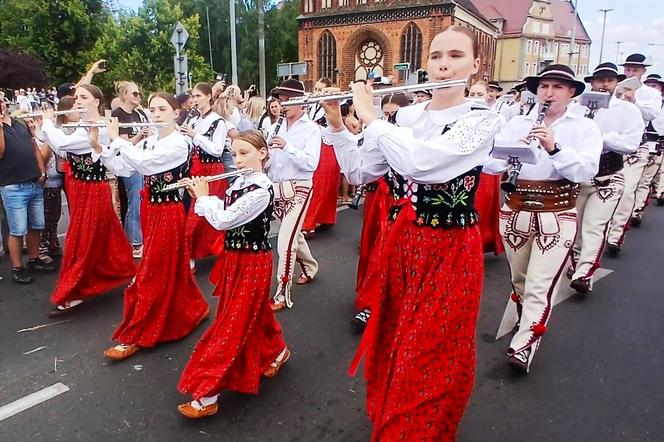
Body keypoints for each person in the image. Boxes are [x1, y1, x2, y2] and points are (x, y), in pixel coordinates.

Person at [323, 26, 502, 440]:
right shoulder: (404, 117)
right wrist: (338, 127)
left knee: (430, 354)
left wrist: (372, 118)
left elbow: (423, 164)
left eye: (455, 56)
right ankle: (393, 413)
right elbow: (361, 172)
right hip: (399, 246)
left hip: (449, 250)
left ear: (475, 66)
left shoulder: (481, 121)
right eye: (436, 56)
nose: (443, 65)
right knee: (393, 341)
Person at [483, 64, 603, 373]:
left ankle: (524, 345)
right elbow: (490, 166)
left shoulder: (585, 128)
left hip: (557, 211)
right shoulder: (517, 123)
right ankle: (526, 320)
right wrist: (512, 153)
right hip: (516, 207)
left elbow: (586, 171)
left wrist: (554, 147)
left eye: (557, 87)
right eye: (544, 86)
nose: (548, 93)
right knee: (520, 280)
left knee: (540, 284)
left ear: (572, 93)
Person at [177, 130, 289, 419]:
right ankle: (277, 351)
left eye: (244, 153)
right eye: (235, 153)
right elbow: (222, 209)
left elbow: (224, 219)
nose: (237, 160)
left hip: (253, 262)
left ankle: (208, 392)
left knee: (233, 323)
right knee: (251, 314)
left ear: (263, 153)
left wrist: (202, 198)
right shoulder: (238, 182)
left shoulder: (262, 191)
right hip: (235, 259)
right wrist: (202, 196)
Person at [91, 92, 209, 361]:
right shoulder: (149, 141)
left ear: (175, 113)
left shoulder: (179, 143)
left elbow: (145, 164)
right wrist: (101, 147)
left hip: (168, 212)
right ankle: (194, 308)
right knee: (171, 267)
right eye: (152, 109)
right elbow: (124, 169)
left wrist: (118, 138)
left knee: (152, 270)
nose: (156, 114)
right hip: (149, 209)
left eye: (162, 109)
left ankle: (137, 331)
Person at [35, 84, 135, 317]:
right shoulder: (81, 123)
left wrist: (49, 122)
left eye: (83, 97)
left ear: (96, 102)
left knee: (82, 239)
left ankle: (74, 290)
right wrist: (43, 126)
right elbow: (57, 146)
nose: (77, 100)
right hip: (78, 186)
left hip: (93, 188)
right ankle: (127, 272)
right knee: (108, 234)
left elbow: (63, 145)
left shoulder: (99, 127)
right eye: (76, 97)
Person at [567, 63, 644, 294]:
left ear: (616, 83)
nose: (604, 85)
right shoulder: (575, 108)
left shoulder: (627, 110)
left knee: (594, 225)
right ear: (592, 83)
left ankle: (585, 272)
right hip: (578, 177)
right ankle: (577, 262)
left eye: (609, 81)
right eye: (600, 80)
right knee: (574, 227)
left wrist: (600, 136)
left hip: (608, 176)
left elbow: (631, 144)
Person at [266, 79, 321, 311]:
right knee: (294, 234)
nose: (283, 104)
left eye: (289, 100)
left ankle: (281, 293)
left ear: (302, 102)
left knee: (285, 240)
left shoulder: (312, 129)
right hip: (277, 187)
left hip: (300, 187)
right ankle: (310, 268)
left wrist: (287, 146)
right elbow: (270, 162)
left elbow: (311, 164)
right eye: (281, 99)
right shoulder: (274, 126)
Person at [606, 53, 662, 255]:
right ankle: (601, 230)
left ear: (643, 71)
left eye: (635, 69)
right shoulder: (614, 90)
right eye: (628, 69)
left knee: (627, 191)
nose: (630, 72)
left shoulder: (650, 93)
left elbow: (652, 115)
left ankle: (615, 234)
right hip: (611, 145)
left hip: (636, 147)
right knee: (603, 191)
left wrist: (634, 100)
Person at [0, 98, 55, 284]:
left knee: (36, 225)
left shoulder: (20, 123)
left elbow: (33, 147)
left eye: (2, 101)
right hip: (12, 185)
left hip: (33, 182)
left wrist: (42, 171)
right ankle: (17, 268)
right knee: (17, 229)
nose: (1, 104)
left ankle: (34, 260)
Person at [180, 82, 231, 268]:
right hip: (196, 170)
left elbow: (217, 150)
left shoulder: (219, 121)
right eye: (193, 96)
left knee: (209, 213)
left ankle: (221, 249)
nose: (194, 100)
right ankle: (192, 254)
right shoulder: (193, 119)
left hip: (212, 171)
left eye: (198, 96)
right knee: (194, 213)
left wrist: (196, 136)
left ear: (209, 96)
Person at [37, 97, 77, 263]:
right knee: (48, 216)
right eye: (75, 107)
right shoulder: (52, 130)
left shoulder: (74, 129)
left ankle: (52, 244)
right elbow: (45, 156)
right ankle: (42, 249)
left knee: (55, 216)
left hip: (64, 177)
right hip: (50, 179)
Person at [111, 81, 149, 259]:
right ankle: (135, 242)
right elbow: (124, 142)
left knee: (139, 201)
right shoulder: (118, 114)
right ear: (124, 95)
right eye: (134, 93)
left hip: (140, 161)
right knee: (134, 203)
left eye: (139, 93)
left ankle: (134, 239)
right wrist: (142, 134)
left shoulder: (138, 113)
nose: (138, 96)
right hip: (128, 165)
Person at [630, 74, 664, 224]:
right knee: (632, 182)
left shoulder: (656, 104)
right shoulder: (634, 100)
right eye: (649, 84)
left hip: (658, 143)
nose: (651, 87)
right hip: (639, 142)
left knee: (645, 180)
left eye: (655, 85)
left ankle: (637, 210)